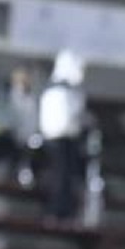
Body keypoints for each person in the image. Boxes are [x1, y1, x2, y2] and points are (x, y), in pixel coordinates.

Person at [38, 50, 88, 222]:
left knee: (63, 177)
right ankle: (59, 210)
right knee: (60, 178)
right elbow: (75, 114)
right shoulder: (63, 91)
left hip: (59, 138)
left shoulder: (53, 89)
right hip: (62, 139)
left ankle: (61, 210)